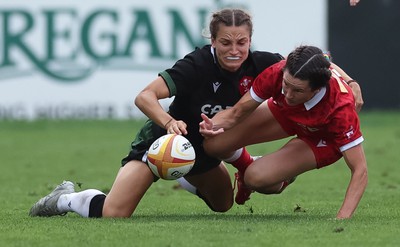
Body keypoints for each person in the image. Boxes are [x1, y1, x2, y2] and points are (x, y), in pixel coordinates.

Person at [28, 8, 363, 218]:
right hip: (161, 145)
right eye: (226, 42)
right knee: (115, 214)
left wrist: (349, 80)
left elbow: (314, 62)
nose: (235, 50)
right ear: (212, 41)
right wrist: (169, 122)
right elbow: (144, 97)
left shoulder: (265, 63)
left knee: (225, 205)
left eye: (241, 42)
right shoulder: (196, 65)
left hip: (202, 150)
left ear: (249, 41)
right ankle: (66, 199)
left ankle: (192, 173)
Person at [199, 45, 368, 219]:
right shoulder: (278, 72)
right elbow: (236, 113)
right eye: (286, 85)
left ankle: (285, 175)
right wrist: (210, 125)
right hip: (286, 113)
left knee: (255, 178)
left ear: (317, 89)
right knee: (213, 144)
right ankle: (245, 164)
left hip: (323, 138)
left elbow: (360, 169)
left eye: (298, 90)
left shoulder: (341, 108)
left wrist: (342, 218)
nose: (287, 93)